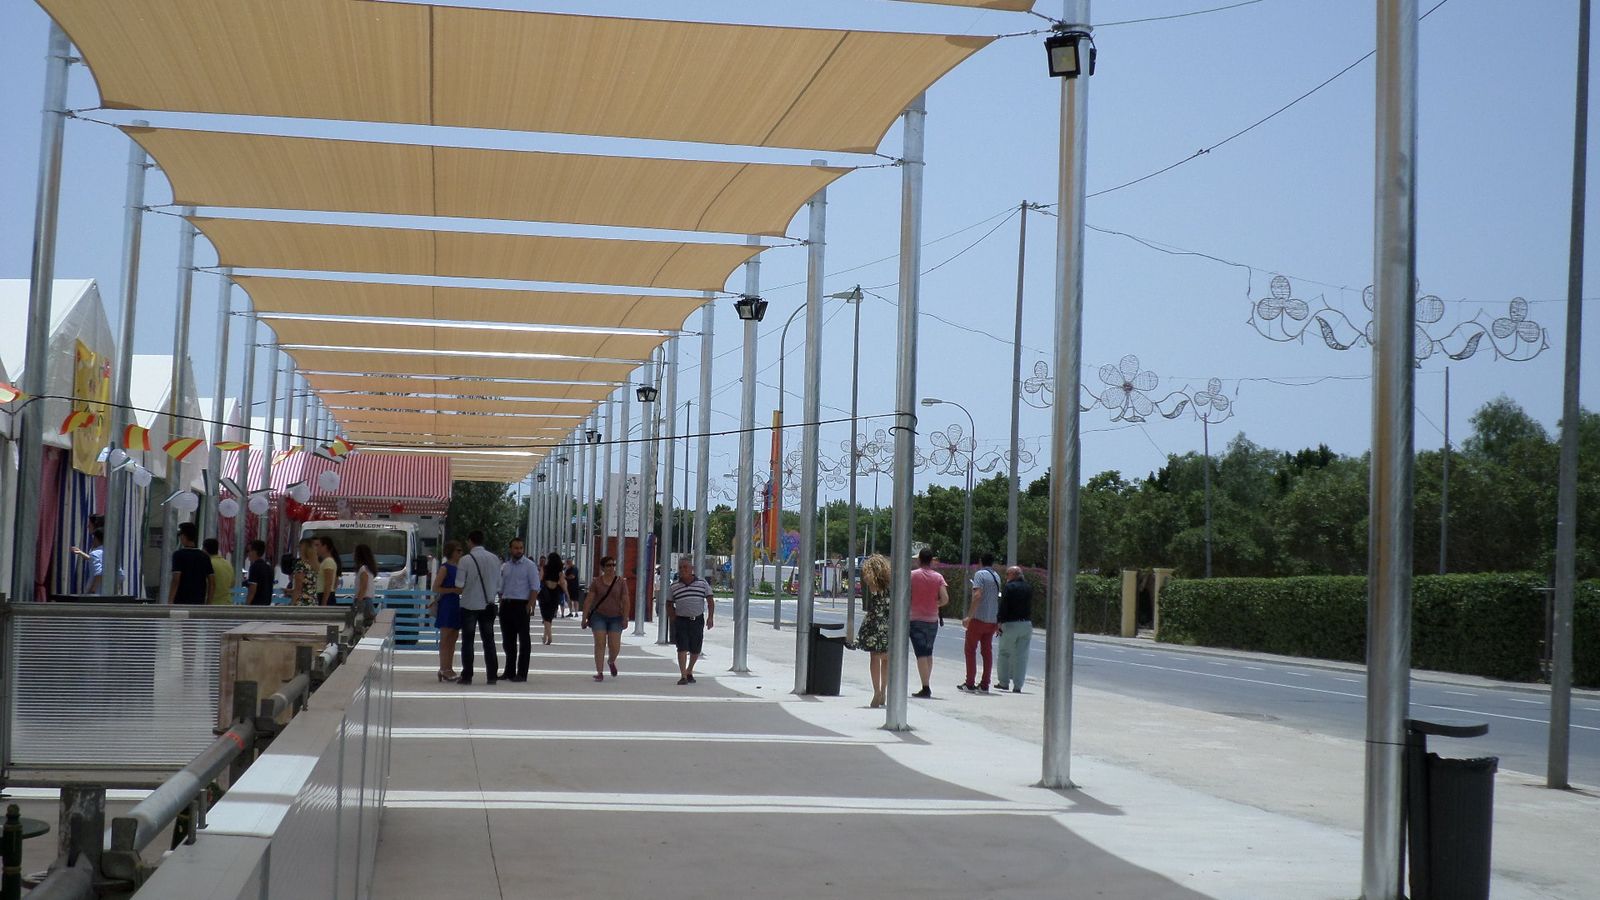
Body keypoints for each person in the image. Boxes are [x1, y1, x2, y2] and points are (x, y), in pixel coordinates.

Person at [455, 530, 501, 685]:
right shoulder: (495, 559)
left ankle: (467, 675)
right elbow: (499, 585)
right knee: (489, 641)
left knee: (468, 641)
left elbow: (459, 584)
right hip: (488, 605)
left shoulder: (465, 560)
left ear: (470, 541)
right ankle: (492, 676)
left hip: (469, 605)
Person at [959, 553, 1002, 693]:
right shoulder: (997, 576)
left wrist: (969, 617)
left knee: (970, 650)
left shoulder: (980, 575)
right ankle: (985, 684)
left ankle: (970, 683)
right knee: (987, 652)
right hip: (992, 619)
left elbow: (977, 596)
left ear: (980, 561)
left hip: (978, 618)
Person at [909, 547, 949, 698]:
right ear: (931, 560)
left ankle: (925, 687)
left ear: (919, 560)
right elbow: (945, 599)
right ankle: (926, 683)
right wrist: (934, 604)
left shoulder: (912, 575)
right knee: (928, 652)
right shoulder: (938, 577)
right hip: (932, 619)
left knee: (920, 653)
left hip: (915, 618)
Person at [668, 557, 713, 685]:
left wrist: (710, 617)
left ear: (692, 569)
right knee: (681, 647)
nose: (683, 570)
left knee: (695, 648)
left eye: (685, 567)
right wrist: (673, 617)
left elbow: (710, 601)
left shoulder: (702, 584)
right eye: (681, 567)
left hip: (697, 620)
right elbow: (669, 603)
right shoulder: (674, 586)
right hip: (681, 620)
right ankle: (683, 675)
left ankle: (689, 671)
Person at [498, 538, 539, 682]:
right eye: (516, 548)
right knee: (508, 641)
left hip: (522, 605)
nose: (519, 551)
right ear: (511, 549)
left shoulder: (530, 566)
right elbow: (501, 587)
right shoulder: (505, 566)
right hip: (507, 605)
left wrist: (530, 604)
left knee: (523, 640)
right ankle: (509, 671)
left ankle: (522, 673)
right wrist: (501, 601)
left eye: (521, 548)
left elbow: (535, 587)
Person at [582, 556, 627, 681]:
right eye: (608, 565)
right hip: (599, 616)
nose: (611, 568)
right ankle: (600, 672)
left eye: (613, 565)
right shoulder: (597, 582)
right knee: (600, 643)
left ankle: (611, 661)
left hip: (616, 617)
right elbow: (589, 600)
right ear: (602, 567)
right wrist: (584, 618)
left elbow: (625, 600)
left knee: (615, 646)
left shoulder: (621, 582)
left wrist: (625, 617)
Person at [856, 554, 892, 708]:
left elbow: (868, 605)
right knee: (886, 658)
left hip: (875, 622)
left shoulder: (872, 585)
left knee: (874, 657)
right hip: (889, 622)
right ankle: (883, 691)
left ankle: (876, 691)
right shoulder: (892, 583)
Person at [428, 542, 464, 682]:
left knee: (454, 636)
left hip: (456, 603)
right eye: (458, 550)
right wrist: (453, 590)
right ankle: (444, 668)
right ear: (452, 552)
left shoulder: (459, 568)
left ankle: (449, 667)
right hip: (447, 603)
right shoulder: (445, 568)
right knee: (446, 637)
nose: (460, 553)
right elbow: (436, 587)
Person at [995, 566, 1033, 693]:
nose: (1006, 577)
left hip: (1010, 624)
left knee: (1004, 653)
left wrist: (999, 622)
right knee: (1021, 656)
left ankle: (1004, 682)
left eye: (1007, 574)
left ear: (1014, 574)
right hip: (1026, 624)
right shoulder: (1028, 587)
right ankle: (1018, 686)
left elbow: (1004, 605)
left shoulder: (1009, 587)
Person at [167, 522, 214, 606]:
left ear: (183, 536)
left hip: (181, 600)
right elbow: (212, 581)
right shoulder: (204, 556)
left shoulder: (178, 555)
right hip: (199, 600)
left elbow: (176, 579)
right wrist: (208, 602)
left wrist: (170, 600)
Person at [537, 551, 567, 646]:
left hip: (545, 593)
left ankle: (549, 637)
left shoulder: (544, 568)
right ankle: (544, 636)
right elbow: (562, 583)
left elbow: (539, 579)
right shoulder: (560, 571)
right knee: (549, 616)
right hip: (555, 593)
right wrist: (567, 594)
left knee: (545, 616)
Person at [69, 529, 106, 594]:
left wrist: (92, 591)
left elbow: (99, 573)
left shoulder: (95, 554)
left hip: (97, 593)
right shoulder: (110, 553)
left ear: (96, 539)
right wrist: (81, 552)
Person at [352, 543, 379, 622]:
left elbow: (363, 588)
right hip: (367, 601)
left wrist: (358, 604)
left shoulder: (363, 570)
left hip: (363, 601)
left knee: (362, 624)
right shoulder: (367, 569)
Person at [205, 538, 236, 605]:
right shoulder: (228, 564)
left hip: (212, 604)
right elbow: (232, 584)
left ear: (205, 550)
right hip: (227, 604)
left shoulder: (207, 564)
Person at [245, 540, 276, 606]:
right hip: (266, 604)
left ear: (254, 552)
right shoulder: (268, 568)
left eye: (248, 551)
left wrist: (246, 605)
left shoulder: (254, 567)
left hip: (256, 605)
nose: (247, 554)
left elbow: (252, 590)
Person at [290, 538, 320, 606]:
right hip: (313, 602)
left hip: (302, 603)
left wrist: (292, 603)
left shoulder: (301, 565)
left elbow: (298, 588)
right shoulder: (315, 565)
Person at [316, 536, 340, 605]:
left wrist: (324, 601)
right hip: (323, 594)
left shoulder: (328, 561)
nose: (317, 548)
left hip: (325, 596)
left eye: (318, 545)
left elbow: (328, 583)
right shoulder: (325, 561)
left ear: (325, 547)